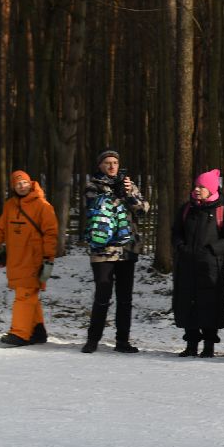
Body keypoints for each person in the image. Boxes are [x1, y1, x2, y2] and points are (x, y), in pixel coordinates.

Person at [81, 149, 149, 354]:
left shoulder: (130, 185)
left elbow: (143, 209)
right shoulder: (93, 185)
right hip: (103, 250)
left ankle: (123, 341)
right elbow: (94, 206)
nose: (112, 166)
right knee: (102, 296)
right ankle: (93, 340)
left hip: (128, 249)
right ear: (100, 165)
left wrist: (128, 193)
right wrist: (114, 192)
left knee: (125, 298)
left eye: (115, 163)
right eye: (107, 163)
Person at [171, 169, 224, 357]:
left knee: (211, 305)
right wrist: (180, 247)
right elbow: (176, 232)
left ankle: (209, 345)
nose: (197, 189)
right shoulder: (186, 209)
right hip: (187, 265)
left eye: (202, 186)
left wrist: (212, 251)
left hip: (211, 268)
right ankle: (191, 344)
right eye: (196, 186)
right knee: (188, 304)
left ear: (210, 189)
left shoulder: (221, 211)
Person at [0, 170, 59, 346]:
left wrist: (48, 259)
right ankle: (37, 331)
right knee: (29, 295)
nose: (22, 186)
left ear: (30, 183)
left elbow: (51, 234)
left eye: (25, 183)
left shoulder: (43, 206)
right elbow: (1, 228)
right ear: (13, 186)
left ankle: (20, 333)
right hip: (16, 258)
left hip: (34, 259)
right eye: (18, 184)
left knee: (25, 294)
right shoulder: (9, 205)